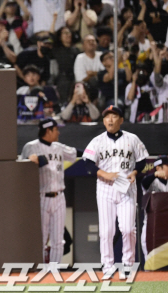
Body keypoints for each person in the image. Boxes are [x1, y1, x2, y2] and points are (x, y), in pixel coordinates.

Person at [82, 105, 148, 279]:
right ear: (103, 120)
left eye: (114, 116)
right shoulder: (97, 141)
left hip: (126, 187)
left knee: (127, 229)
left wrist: (134, 172)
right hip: (105, 188)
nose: (110, 119)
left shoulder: (132, 139)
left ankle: (127, 264)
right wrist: (104, 174)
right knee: (106, 231)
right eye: (107, 116)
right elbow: (88, 163)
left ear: (121, 120)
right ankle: (108, 265)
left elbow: (142, 161)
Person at [21, 118, 80, 263]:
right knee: (41, 237)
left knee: (58, 239)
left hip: (59, 195)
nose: (58, 132)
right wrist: (30, 160)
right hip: (41, 196)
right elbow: (21, 166)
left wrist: (94, 153)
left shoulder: (58, 147)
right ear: (48, 131)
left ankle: (54, 270)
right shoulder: (31, 146)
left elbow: (76, 153)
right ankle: (41, 268)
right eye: (56, 129)